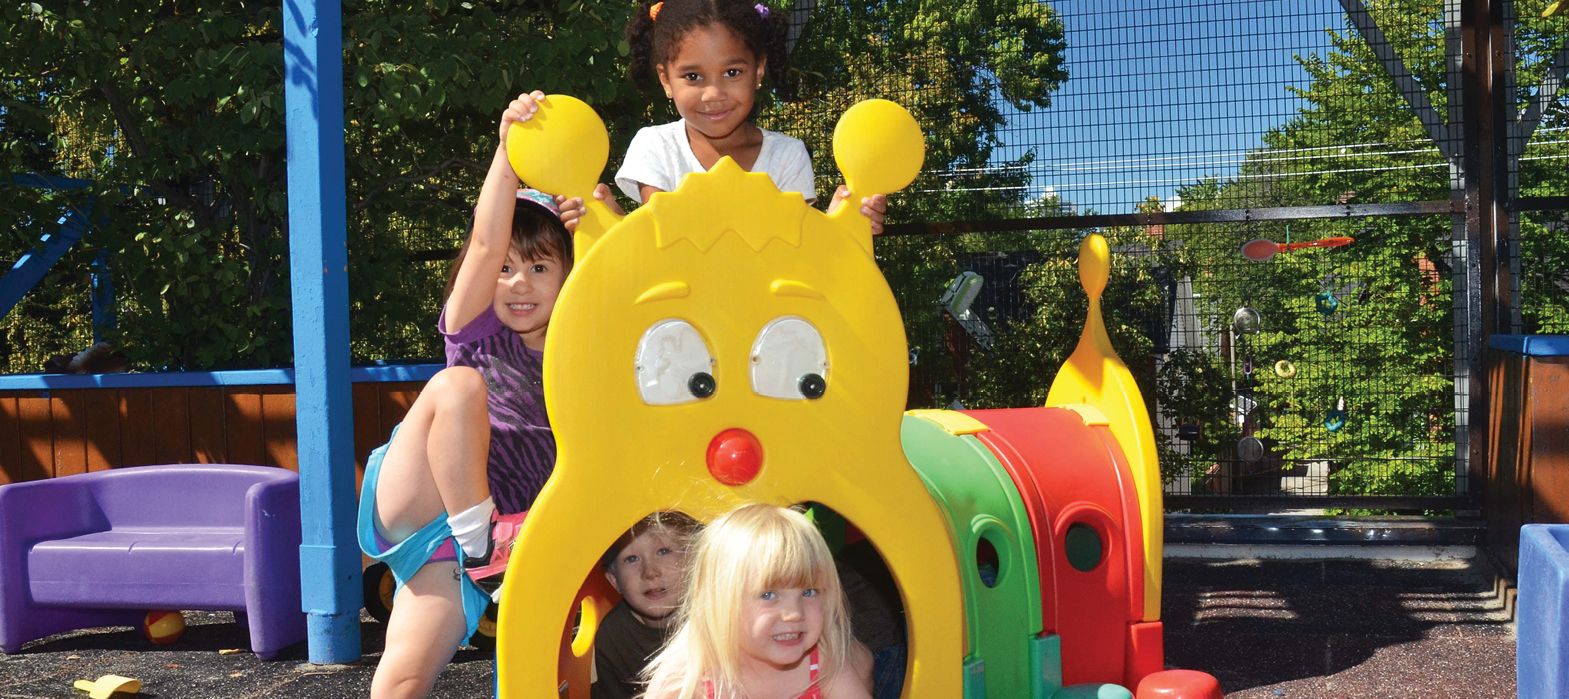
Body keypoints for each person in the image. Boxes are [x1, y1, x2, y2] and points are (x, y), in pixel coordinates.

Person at [356, 90, 570, 699]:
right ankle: (480, 540)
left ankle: (483, 548)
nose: (518, 283)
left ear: (569, 275)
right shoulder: (477, 329)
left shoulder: (583, 354)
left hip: (506, 530)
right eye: (505, 269)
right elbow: (483, 239)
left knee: (402, 678)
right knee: (456, 385)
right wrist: (508, 152)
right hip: (428, 504)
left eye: (538, 267)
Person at [557, 0, 887, 234]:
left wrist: (844, 223)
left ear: (758, 69)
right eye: (693, 77)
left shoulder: (787, 156)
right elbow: (662, 241)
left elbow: (799, 245)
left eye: (731, 72)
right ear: (665, 80)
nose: (713, 94)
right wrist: (607, 224)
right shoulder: (655, 147)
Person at [641, 504, 874, 699]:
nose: (794, 613)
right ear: (719, 602)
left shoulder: (821, 663)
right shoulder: (685, 682)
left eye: (809, 592)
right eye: (768, 595)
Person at [593, 512, 703, 699]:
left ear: (692, 561)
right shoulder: (612, 636)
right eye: (631, 559)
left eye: (663, 551)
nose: (650, 572)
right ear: (614, 581)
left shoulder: (714, 615)